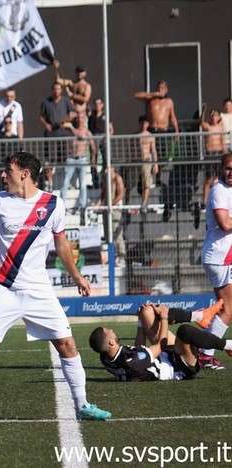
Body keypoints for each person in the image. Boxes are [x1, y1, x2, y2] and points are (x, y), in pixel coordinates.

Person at [0, 151, 111, 422]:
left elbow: (61, 244)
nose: (2, 174)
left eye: (7, 170)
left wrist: (77, 276)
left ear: (24, 174)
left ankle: (82, 405)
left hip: (39, 289)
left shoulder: (53, 204)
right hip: (4, 288)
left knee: (67, 344)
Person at [89, 302, 230, 382]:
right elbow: (160, 346)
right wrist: (164, 317)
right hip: (180, 366)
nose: (112, 329)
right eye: (109, 330)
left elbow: (138, 347)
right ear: (111, 343)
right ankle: (227, 344)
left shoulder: (107, 357)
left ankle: (199, 316)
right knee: (185, 331)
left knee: (147, 312)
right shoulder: (133, 360)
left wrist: (140, 321)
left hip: (168, 355)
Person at [199, 152, 232, 370]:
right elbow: (225, 224)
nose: (231, 172)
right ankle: (205, 354)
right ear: (221, 169)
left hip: (223, 256)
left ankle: (203, 346)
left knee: (223, 307)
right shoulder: (219, 190)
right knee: (228, 309)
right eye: (229, 168)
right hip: (219, 257)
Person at [134, 80, 179, 187]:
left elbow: (172, 116)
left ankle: (158, 178)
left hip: (163, 130)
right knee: (148, 154)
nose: (161, 90)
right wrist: (153, 94)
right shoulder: (151, 99)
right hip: (151, 130)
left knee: (161, 156)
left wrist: (176, 130)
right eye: (159, 88)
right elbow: (136, 95)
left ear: (166, 90)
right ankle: (145, 177)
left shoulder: (169, 101)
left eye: (163, 88)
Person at [39, 82, 76, 192]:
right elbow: (41, 116)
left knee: (66, 158)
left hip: (64, 134)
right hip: (51, 136)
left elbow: (72, 114)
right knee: (50, 160)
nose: (56, 91)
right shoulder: (46, 102)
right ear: (52, 90)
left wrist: (66, 120)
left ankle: (66, 182)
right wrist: (46, 125)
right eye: (54, 89)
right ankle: (49, 182)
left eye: (58, 89)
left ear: (61, 90)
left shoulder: (65, 101)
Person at [60, 113, 96, 216]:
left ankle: (82, 206)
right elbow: (61, 124)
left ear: (85, 120)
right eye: (78, 118)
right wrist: (69, 117)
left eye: (81, 118)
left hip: (82, 159)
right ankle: (62, 206)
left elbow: (92, 146)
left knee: (82, 184)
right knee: (65, 183)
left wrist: (93, 158)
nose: (80, 120)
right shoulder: (70, 128)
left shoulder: (86, 132)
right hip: (71, 158)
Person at [94, 166, 126, 266]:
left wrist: (111, 203)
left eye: (107, 168)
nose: (105, 171)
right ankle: (113, 256)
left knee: (116, 233)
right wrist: (97, 204)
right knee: (108, 234)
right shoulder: (106, 179)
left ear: (112, 168)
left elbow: (121, 194)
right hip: (106, 209)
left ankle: (122, 256)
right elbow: (103, 193)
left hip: (114, 209)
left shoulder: (117, 178)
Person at [199, 103, 225, 204]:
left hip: (219, 154)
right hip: (209, 154)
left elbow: (222, 141)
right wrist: (203, 111)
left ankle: (219, 200)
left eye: (215, 115)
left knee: (220, 178)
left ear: (219, 117)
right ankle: (204, 203)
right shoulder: (208, 126)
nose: (213, 117)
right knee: (208, 180)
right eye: (212, 115)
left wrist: (225, 154)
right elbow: (201, 122)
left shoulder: (220, 128)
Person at [87, 98, 114, 190]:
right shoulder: (92, 116)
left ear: (102, 105)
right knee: (93, 159)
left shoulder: (106, 116)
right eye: (95, 104)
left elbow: (111, 129)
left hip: (103, 138)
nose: (97, 105)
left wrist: (108, 136)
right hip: (94, 137)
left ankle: (104, 180)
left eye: (99, 104)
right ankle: (95, 181)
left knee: (106, 159)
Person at [0, 116, 20, 188]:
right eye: (6, 122)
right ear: (3, 124)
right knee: (2, 187)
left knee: (13, 187)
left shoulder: (16, 138)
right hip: (1, 166)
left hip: (13, 168)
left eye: (10, 122)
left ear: (12, 124)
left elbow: (21, 150)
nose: (8, 124)